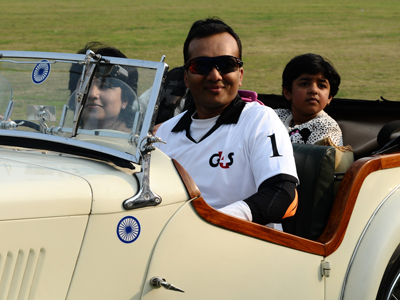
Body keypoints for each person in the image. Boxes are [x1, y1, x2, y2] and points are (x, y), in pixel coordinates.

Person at [156, 18, 299, 227]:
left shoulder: (260, 120)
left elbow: (283, 196)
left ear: (240, 75)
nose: (215, 75)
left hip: (245, 248)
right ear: (186, 77)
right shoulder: (165, 133)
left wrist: (210, 223)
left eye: (226, 65)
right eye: (201, 66)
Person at [68, 42, 139, 133]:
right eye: (84, 85)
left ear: (125, 100)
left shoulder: (135, 145)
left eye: (105, 86)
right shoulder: (61, 141)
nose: (92, 94)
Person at [275, 53, 343, 146]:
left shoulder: (327, 128)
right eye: (304, 84)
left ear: (329, 97)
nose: (314, 90)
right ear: (288, 92)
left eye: (321, 86)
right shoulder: (274, 117)